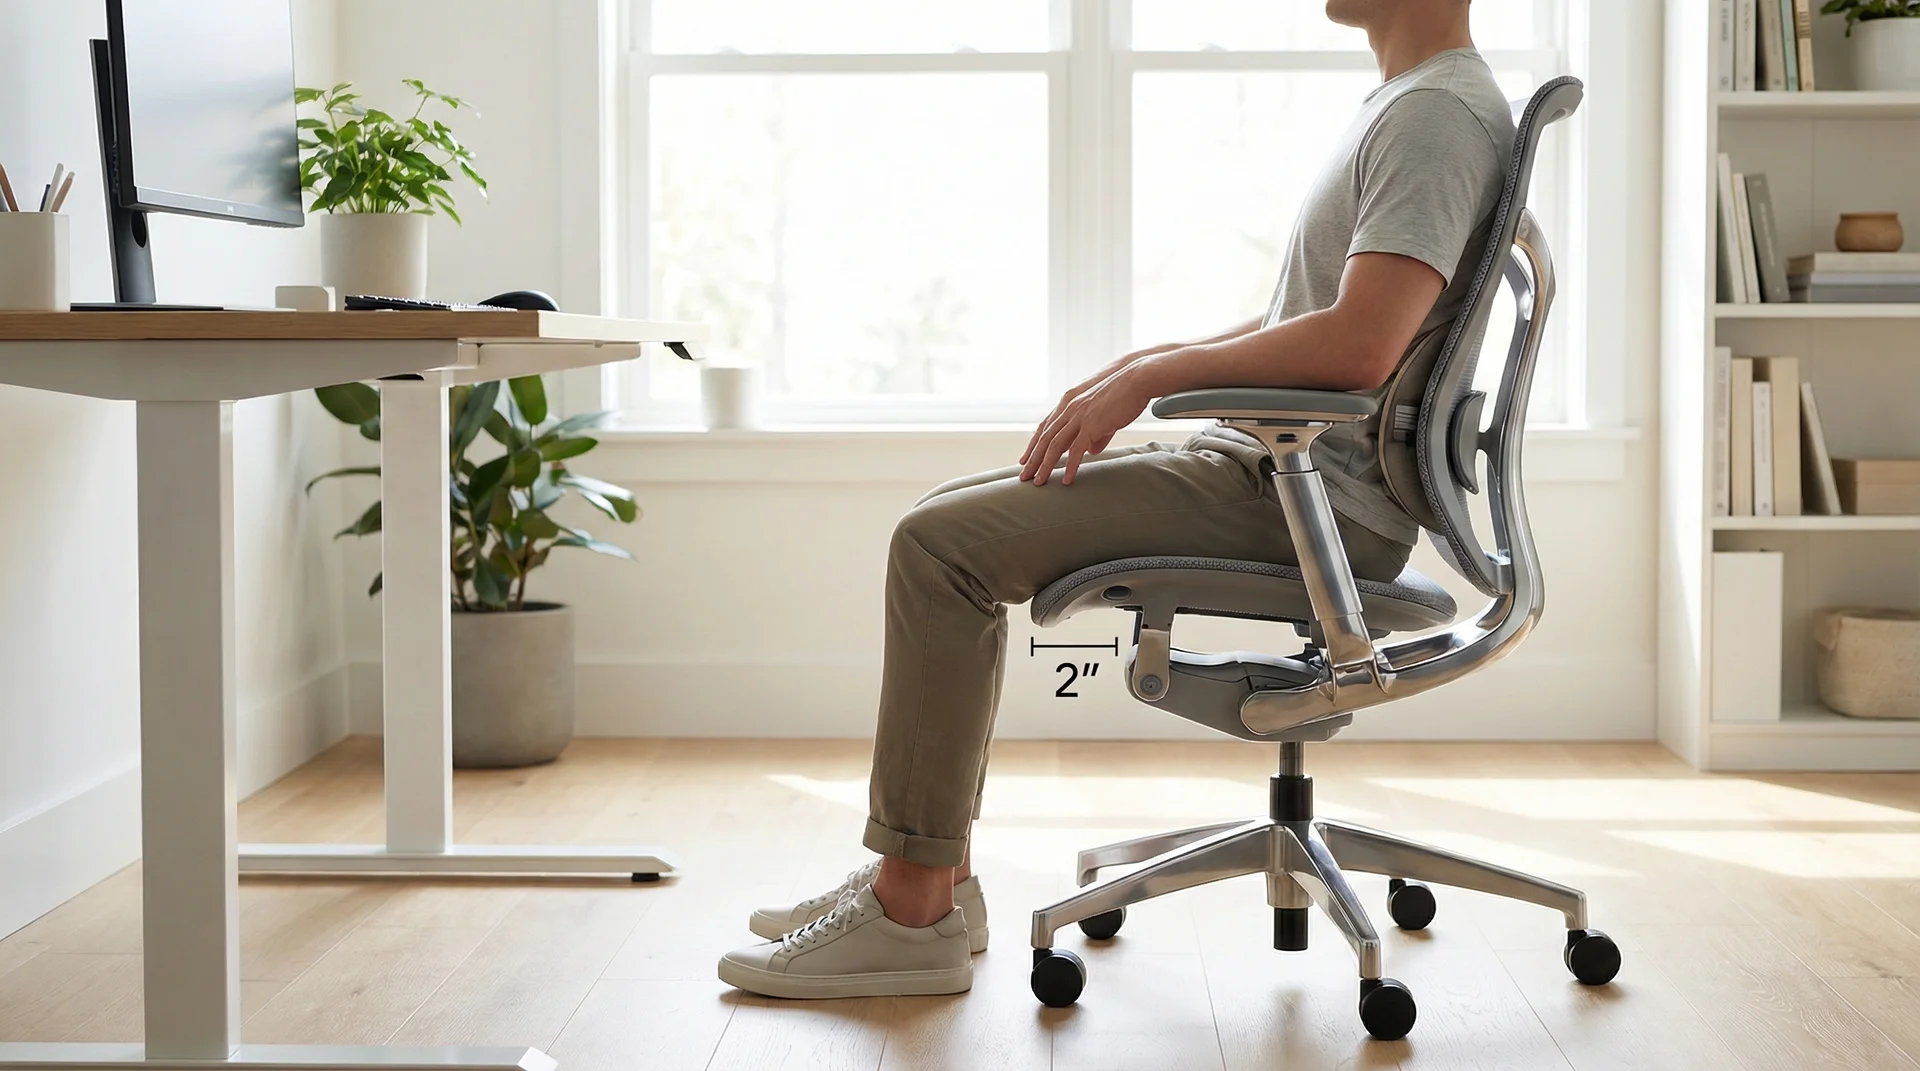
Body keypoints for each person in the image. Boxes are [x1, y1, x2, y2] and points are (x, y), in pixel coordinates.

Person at [719, 0, 1514, 999]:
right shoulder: (1417, 101)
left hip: (1302, 499)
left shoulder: (1436, 115)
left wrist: (1150, 380)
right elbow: (1311, 319)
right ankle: (934, 880)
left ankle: (911, 908)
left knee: (939, 547)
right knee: (947, 517)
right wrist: (1146, 364)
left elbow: (1359, 345)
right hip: (1281, 478)